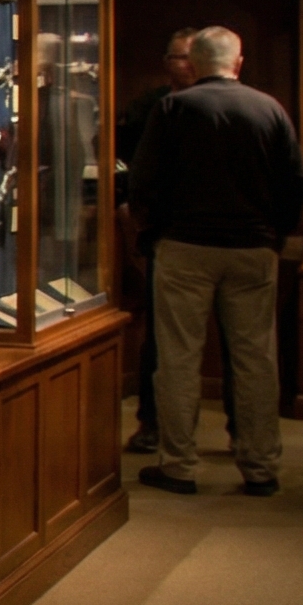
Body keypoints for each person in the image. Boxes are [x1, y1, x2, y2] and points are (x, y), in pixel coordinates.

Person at [130, 27, 303, 494]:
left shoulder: (174, 108)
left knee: (178, 359)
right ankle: (261, 465)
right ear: (239, 62)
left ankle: (179, 464)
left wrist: (155, 232)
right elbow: (294, 184)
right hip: (252, 247)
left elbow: (143, 182)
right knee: (256, 360)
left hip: (185, 245)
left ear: (193, 61)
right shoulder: (269, 109)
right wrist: (274, 235)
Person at [120, 29, 221, 453]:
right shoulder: (152, 107)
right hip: (172, 238)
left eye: (193, 55)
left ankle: (245, 437)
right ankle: (154, 427)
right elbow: (129, 171)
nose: (188, 63)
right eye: (181, 56)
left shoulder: (182, 108)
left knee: (242, 351)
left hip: (211, 238)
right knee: (163, 344)